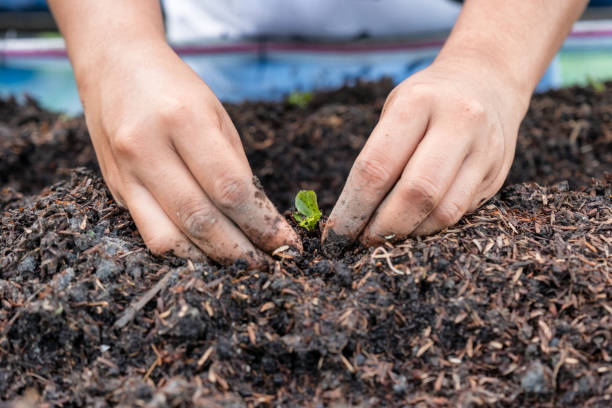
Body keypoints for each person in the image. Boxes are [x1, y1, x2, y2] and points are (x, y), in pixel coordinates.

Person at [47, 0, 588, 267]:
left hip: (481, 43)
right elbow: (114, 49)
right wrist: (115, 52)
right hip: (199, 63)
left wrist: (494, 62)